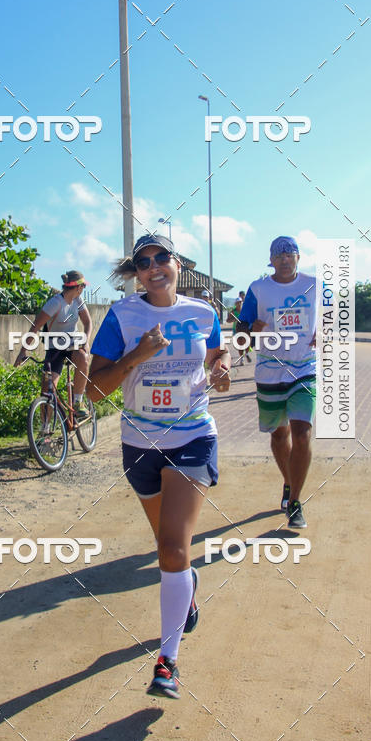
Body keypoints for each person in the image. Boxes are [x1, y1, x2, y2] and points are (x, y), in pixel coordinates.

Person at [86, 234, 230, 698]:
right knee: (169, 549)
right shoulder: (122, 317)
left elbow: (216, 354)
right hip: (139, 443)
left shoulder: (202, 313)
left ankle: (167, 662)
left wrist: (222, 366)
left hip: (192, 436)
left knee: (171, 547)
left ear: (177, 264)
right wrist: (137, 355)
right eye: (143, 262)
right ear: (136, 272)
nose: (153, 267)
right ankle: (186, 583)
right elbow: (93, 390)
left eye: (161, 258)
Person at [238, 236, 316, 528]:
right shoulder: (259, 289)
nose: (284, 258)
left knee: (303, 431)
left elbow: (333, 318)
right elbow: (241, 334)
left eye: (290, 253)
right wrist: (250, 330)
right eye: (278, 254)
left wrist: (328, 332)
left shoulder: (315, 285)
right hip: (270, 370)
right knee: (279, 436)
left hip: (304, 368)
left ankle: (295, 501)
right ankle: (288, 481)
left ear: (298, 257)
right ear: (270, 260)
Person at [14, 270, 92, 422]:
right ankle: (46, 427)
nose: (83, 289)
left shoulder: (78, 301)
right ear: (77, 287)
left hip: (72, 344)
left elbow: (87, 323)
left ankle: (77, 402)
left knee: (83, 358)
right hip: (55, 347)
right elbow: (35, 328)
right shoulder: (55, 303)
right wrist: (22, 352)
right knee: (48, 389)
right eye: (83, 286)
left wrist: (86, 341)